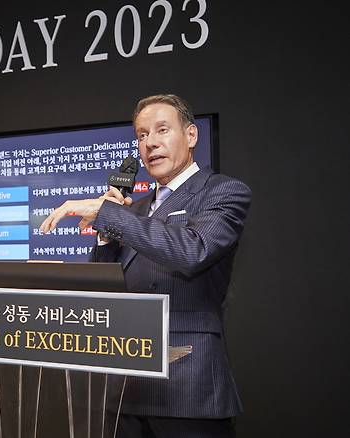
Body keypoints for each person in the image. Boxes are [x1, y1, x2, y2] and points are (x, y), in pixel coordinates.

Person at [39, 94, 251, 437]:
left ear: (192, 136)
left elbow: (192, 251)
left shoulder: (223, 192)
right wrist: (105, 234)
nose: (150, 142)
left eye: (162, 130)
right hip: (126, 384)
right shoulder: (132, 210)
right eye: (141, 135)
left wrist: (109, 215)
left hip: (187, 385)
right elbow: (104, 287)